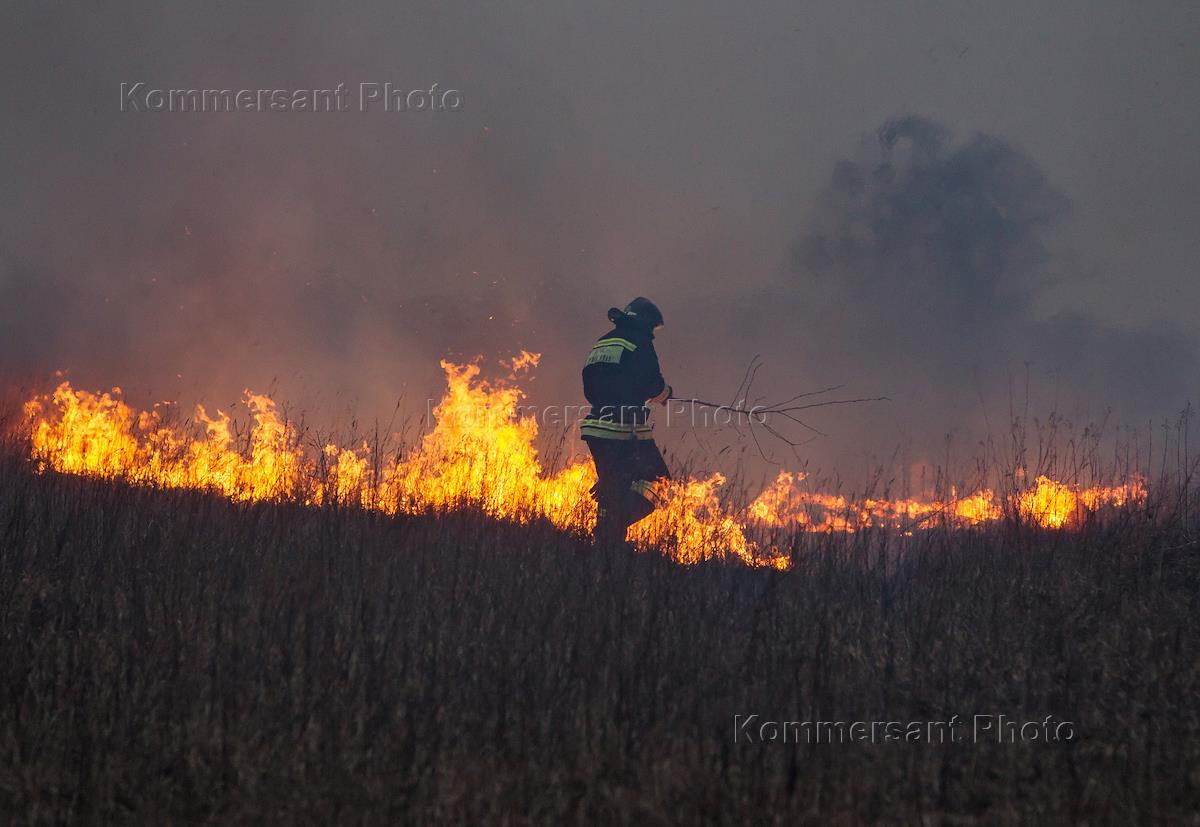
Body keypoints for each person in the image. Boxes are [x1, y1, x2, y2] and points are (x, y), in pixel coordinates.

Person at [580, 297, 672, 545]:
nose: (652, 333)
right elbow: (652, 384)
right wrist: (665, 394)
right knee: (659, 481)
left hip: (595, 427)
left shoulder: (604, 341)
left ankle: (605, 544)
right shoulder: (639, 342)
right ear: (645, 322)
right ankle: (612, 529)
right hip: (624, 428)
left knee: (613, 486)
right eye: (652, 328)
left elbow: (590, 382)